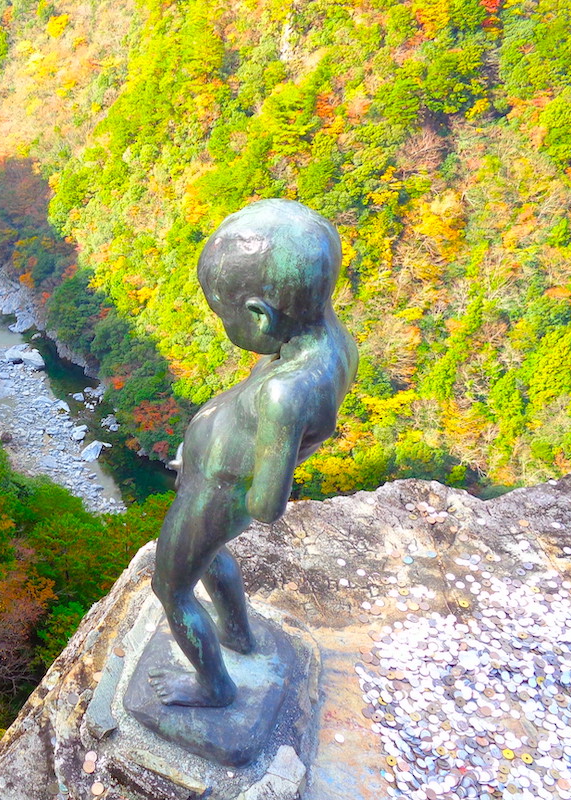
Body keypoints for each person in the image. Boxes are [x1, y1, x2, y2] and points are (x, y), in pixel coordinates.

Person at [148, 198, 358, 707]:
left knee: (171, 588)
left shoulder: (288, 393)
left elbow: (266, 505)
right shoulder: (331, 341)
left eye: (224, 317)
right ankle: (238, 636)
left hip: (218, 494)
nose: (224, 326)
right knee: (210, 557)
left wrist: (225, 472)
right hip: (212, 480)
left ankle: (214, 688)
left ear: (260, 317)